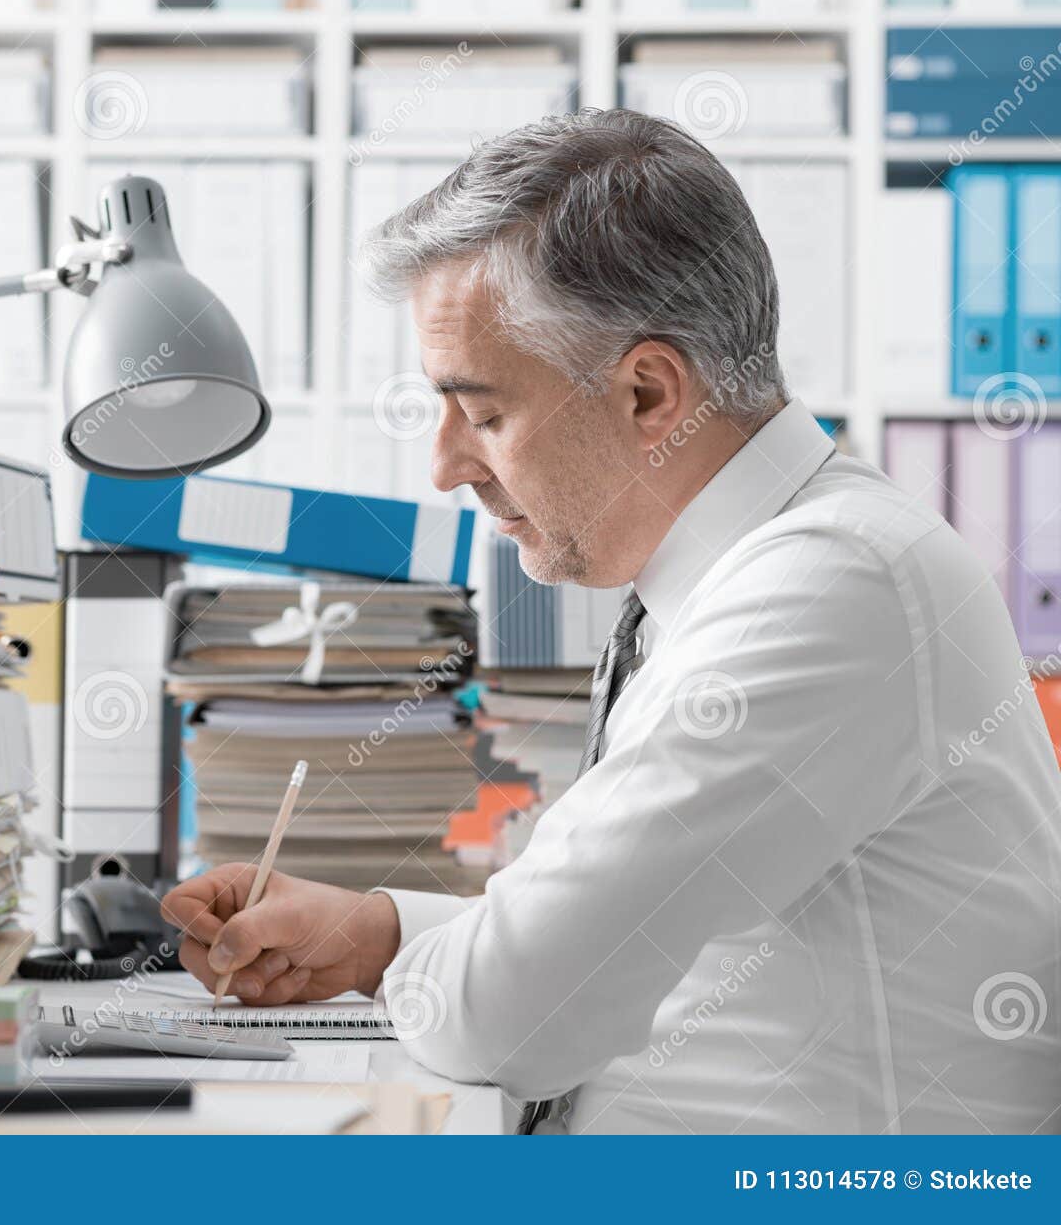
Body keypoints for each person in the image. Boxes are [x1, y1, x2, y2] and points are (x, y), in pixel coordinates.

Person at [162, 108, 1061, 1134]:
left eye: (485, 414)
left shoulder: (825, 589)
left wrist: (436, 957)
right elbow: (609, 940)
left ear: (646, 391)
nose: (446, 467)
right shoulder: (740, 572)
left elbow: (507, 1016)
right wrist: (377, 933)